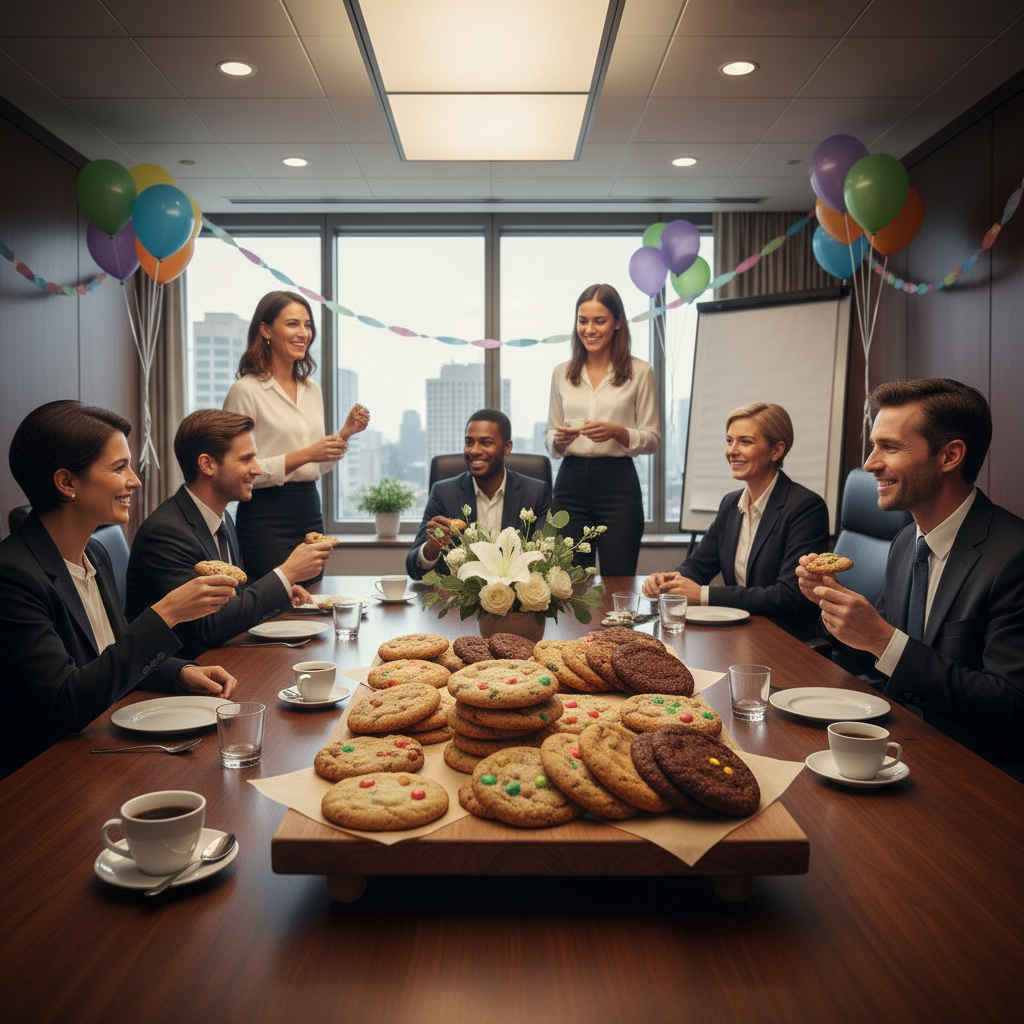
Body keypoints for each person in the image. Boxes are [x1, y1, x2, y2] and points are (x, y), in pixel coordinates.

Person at [797, 378, 1024, 777]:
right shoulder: (906, 542)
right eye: (873, 446)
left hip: (974, 771)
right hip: (902, 743)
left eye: (890, 447)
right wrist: (832, 605)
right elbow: (878, 656)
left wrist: (881, 638)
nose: (869, 464)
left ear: (950, 456)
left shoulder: (1013, 556)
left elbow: (1011, 706)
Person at [0, 401, 238, 774]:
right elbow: (67, 702)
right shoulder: (13, 576)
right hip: (43, 773)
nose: (135, 480)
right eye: (119, 467)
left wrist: (178, 673)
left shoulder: (95, 552)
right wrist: (166, 613)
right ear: (67, 483)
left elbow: (110, 656)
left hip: (98, 748)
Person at [126, 409, 335, 658]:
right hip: (185, 670)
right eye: (246, 459)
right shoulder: (166, 533)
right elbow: (209, 626)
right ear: (207, 465)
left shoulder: (222, 516)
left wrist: (283, 591)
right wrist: (287, 573)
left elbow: (233, 596)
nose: (257, 470)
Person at [642, 402, 828, 639]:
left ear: (776, 451)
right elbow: (699, 565)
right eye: (729, 441)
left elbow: (789, 595)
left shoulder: (805, 507)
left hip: (784, 638)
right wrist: (669, 580)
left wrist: (703, 595)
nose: (732, 450)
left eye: (745, 442)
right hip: (739, 632)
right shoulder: (731, 505)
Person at [223, 290, 370, 580]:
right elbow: (237, 469)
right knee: (271, 606)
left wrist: (344, 434)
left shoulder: (311, 389)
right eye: (293, 324)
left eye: (307, 325)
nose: (304, 332)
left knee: (312, 601)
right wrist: (306, 454)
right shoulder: (245, 390)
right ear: (265, 330)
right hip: (264, 516)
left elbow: (317, 466)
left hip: (309, 511)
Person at [546, 283, 659, 575]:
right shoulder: (561, 373)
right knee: (568, 584)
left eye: (600, 321)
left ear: (618, 322)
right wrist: (558, 440)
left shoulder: (641, 372)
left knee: (618, 580)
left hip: (618, 485)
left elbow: (652, 439)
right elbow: (550, 437)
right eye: (583, 321)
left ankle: (618, 625)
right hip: (570, 483)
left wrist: (618, 432)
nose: (590, 329)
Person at [406, 409, 552, 581]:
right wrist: (434, 545)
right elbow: (413, 569)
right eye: (469, 442)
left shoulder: (535, 493)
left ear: (507, 447)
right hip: (458, 602)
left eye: (486, 443)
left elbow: (547, 558)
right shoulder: (444, 493)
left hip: (517, 602)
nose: (474, 450)